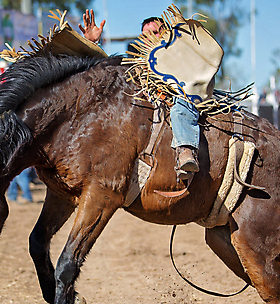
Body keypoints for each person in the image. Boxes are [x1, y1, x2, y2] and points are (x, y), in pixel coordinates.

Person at [79, 9, 210, 180]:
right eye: (145, 35)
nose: (150, 38)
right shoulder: (139, 62)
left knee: (181, 107)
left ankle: (185, 151)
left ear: (165, 33)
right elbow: (113, 69)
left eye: (155, 32)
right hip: (147, 105)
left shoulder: (179, 54)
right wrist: (93, 43)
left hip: (181, 98)